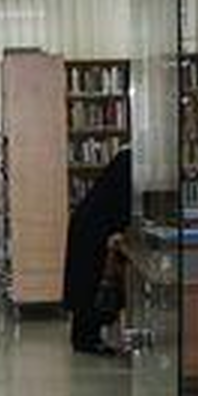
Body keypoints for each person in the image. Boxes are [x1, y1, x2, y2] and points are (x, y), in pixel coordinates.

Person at [64, 146, 133, 355]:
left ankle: (85, 338)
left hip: (89, 229)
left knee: (86, 287)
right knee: (89, 286)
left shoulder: (119, 170)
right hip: (91, 233)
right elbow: (123, 208)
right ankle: (87, 341)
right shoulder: (127, 169)